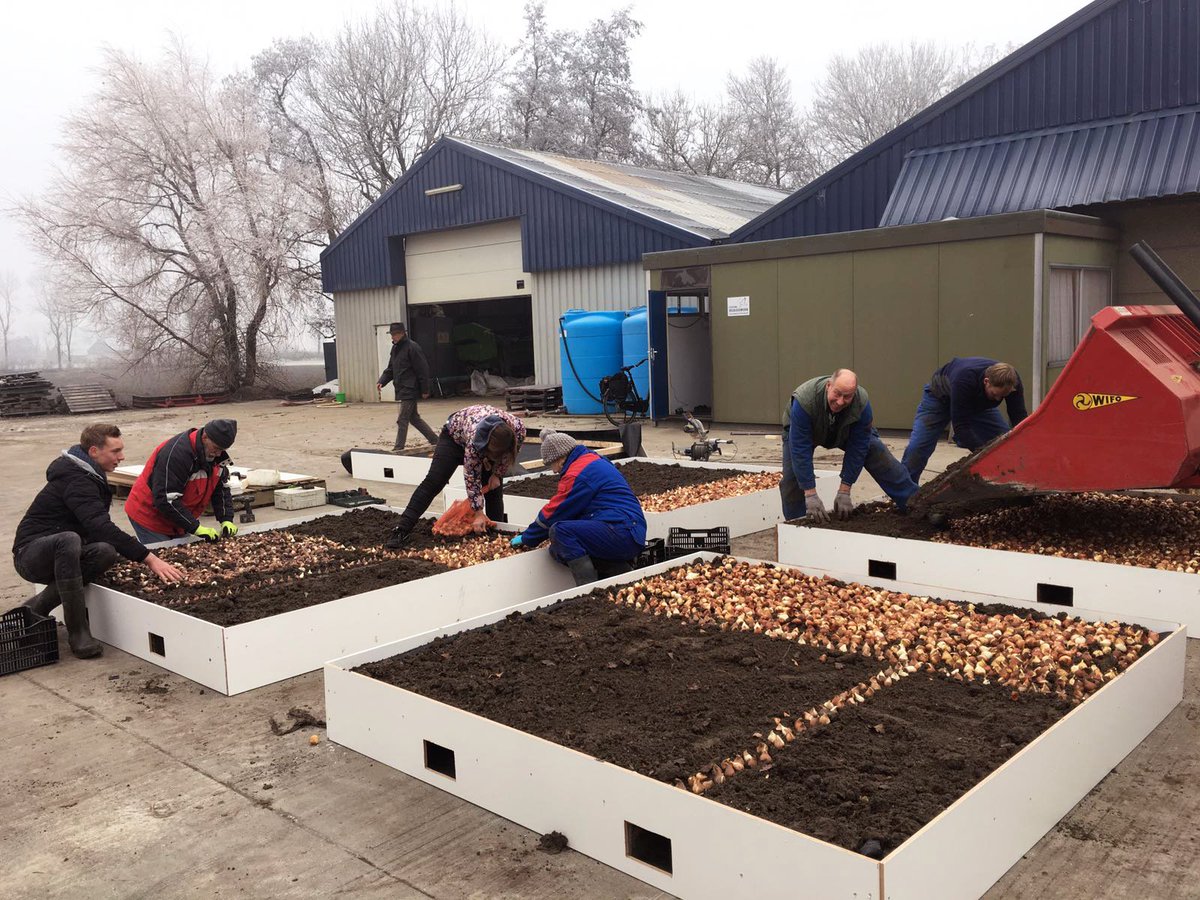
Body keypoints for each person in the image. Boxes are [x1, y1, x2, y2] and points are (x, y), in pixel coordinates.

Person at [12, 424, 185, 658]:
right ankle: (78, 632)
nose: (121, 457)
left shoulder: (89, 474)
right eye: (115, 451)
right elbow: (99, 525)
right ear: (94, 451)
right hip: (30, 555)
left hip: (62, 553)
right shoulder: (76, 479)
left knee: (105, 551)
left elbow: (99, 531)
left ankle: (37, 607)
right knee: (69, 540)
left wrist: (126, 551)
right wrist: (148, 558)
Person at [510, 431, 647, 585]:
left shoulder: (578, 473)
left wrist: (528, 537)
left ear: (561, 458)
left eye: (552, 464)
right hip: (628, 528)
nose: (554, 471)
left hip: (622, 531)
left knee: (561, 532)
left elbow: (555, 511)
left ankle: (586, 591)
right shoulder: (592, 459)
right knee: (558, 549)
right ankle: (619, 571)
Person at [782, 369, 917, 523]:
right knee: (792, 477)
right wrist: (810, 493)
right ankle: (797, 523)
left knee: (877, 452)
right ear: (828, 386)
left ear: (854, 393)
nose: (840, 401)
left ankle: (916, 505)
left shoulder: (861, 403)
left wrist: (845, 490)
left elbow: (858, 448)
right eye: (837, 394)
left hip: (844, 429)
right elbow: (800, 449)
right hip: (806, 431)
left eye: (847, 397)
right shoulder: (804, 401)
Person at [385, 405, 526, 548]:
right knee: (434, 481)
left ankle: (497, 536)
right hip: (454, 437)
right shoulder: (474, 440)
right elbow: (471, 476)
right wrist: (478, 512)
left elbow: (510, 453)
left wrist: (497, 474)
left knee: (494, 490)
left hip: (486, 440)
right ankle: (401, 529)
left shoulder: (518, 430)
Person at [901, 359, 1028, 481]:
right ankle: (906, 495)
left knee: (1004, 443)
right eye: (995, 394)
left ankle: (1012, 482)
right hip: (939, 398)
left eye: (1002, 396)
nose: (997, 399)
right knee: (918, 448)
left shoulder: (1011, 382)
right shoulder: (964, 379)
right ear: (986, 381)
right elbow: (961, 427)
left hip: (978, 404)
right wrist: (984, 455)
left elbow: (1018, 417)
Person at [124, 419, 238, 545]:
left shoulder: (216, 457)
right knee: (163, 558)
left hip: (177, 518)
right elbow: (166, 499)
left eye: (223, 449)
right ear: (205, 437)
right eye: (216, 448)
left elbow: (220, 488)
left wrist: (226, 519)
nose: (218, 453)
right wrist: (195, 527)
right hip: (149, 516)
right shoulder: (176, 455)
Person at [377, 321, 437, 451]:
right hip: (402, 388)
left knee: (402, 419)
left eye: (395, 334)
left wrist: (425, 389)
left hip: (410, 388)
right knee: (414, 418)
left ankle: (398, 448)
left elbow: (423, 369)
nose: (392, 337)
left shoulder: (412, 347)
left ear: (402, 333)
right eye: (391, 334)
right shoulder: (395, 349)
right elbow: (391, 369)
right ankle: (435, 440)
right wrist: (382, 381)